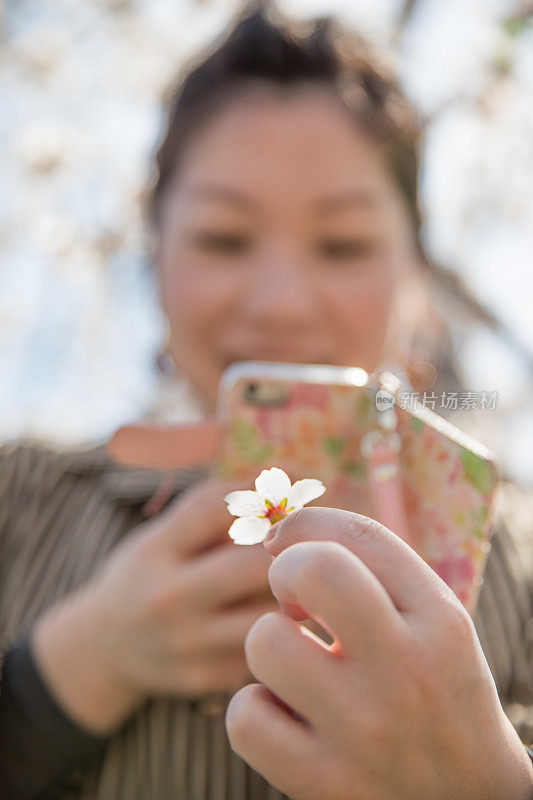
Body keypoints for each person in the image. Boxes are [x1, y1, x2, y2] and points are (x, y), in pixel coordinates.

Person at [1, 3, 532, 799]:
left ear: (416, 279)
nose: (281, 302)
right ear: (154, 254)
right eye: (223, 238)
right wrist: (75, 664)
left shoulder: (516, 551)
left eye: (343, 244)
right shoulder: (19, 502)